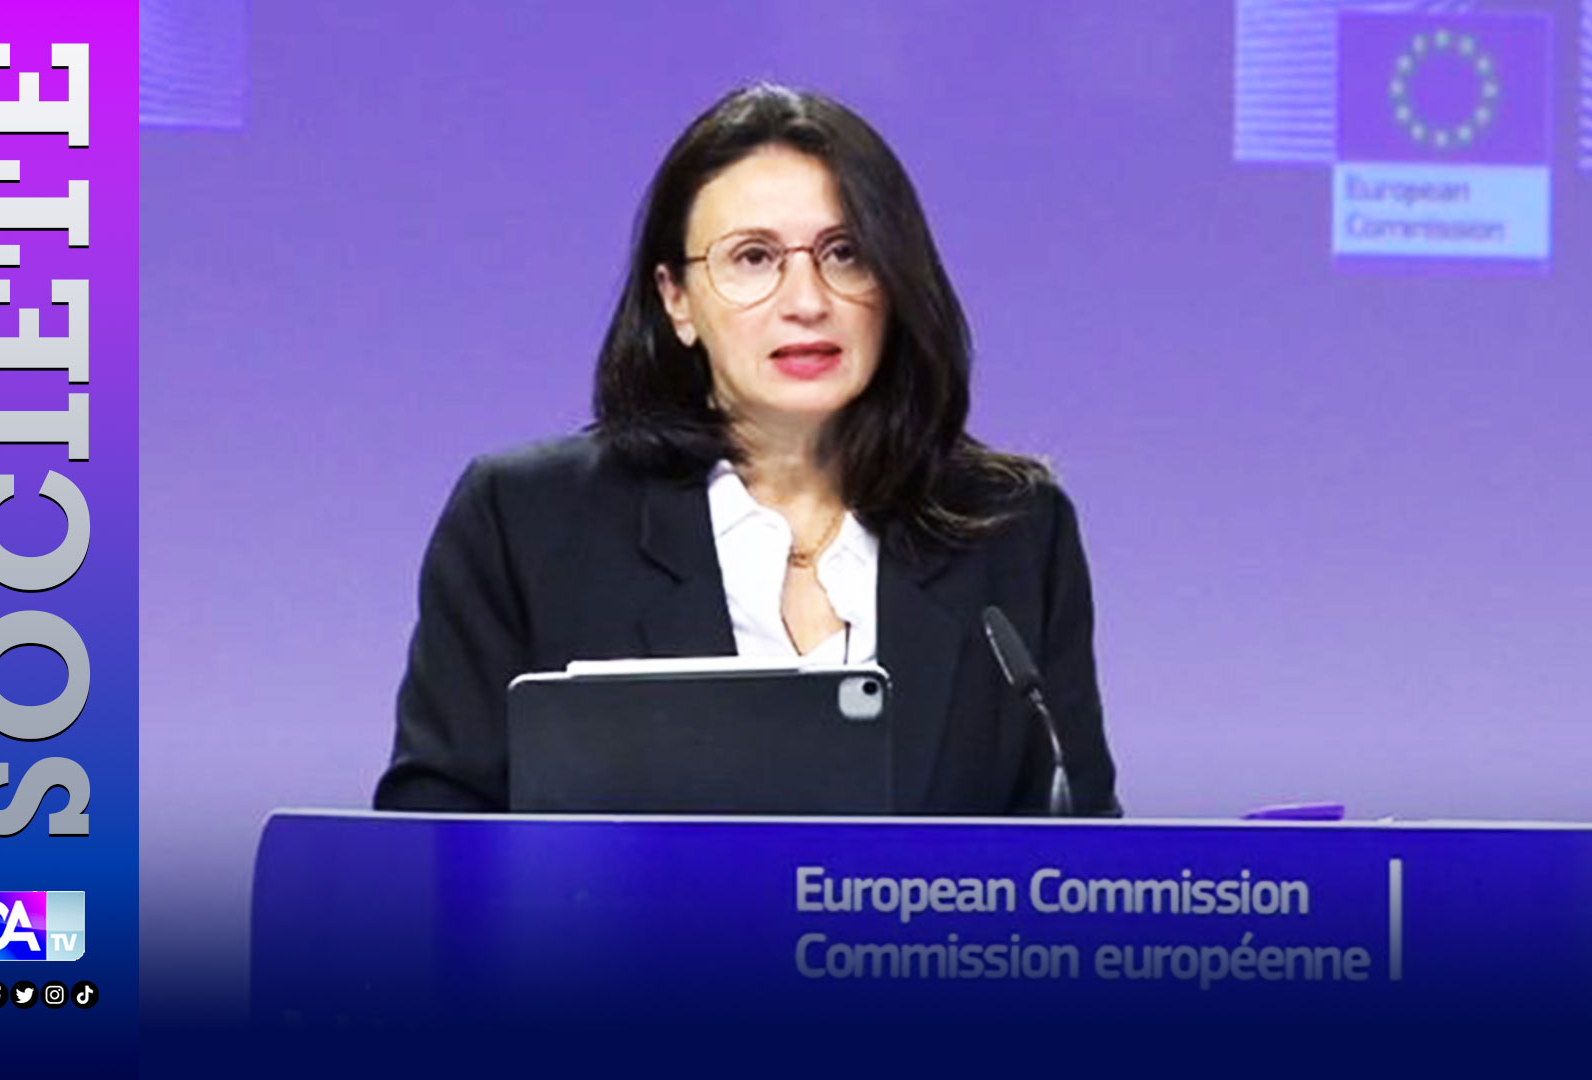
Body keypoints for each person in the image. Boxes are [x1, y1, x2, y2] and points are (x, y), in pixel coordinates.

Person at [373, 84, 1118, 815]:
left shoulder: (1016, 530)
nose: (808, 301)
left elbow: (1084, 846)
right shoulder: (526, 523)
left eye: (846, 253)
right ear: (676, 299)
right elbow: (429, 839)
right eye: (754, 258)